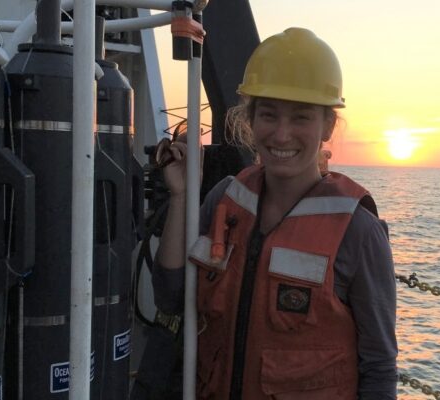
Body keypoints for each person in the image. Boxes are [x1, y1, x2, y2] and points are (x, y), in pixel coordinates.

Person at [153, 27, 398, 399]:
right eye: (269, 115)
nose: (282, 135)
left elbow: (379, 368)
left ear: (327, 126)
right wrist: (182, 195)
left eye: (301, 118)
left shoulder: (357, 232)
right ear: (250, 119)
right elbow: (170, 296)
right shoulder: (225, 199)